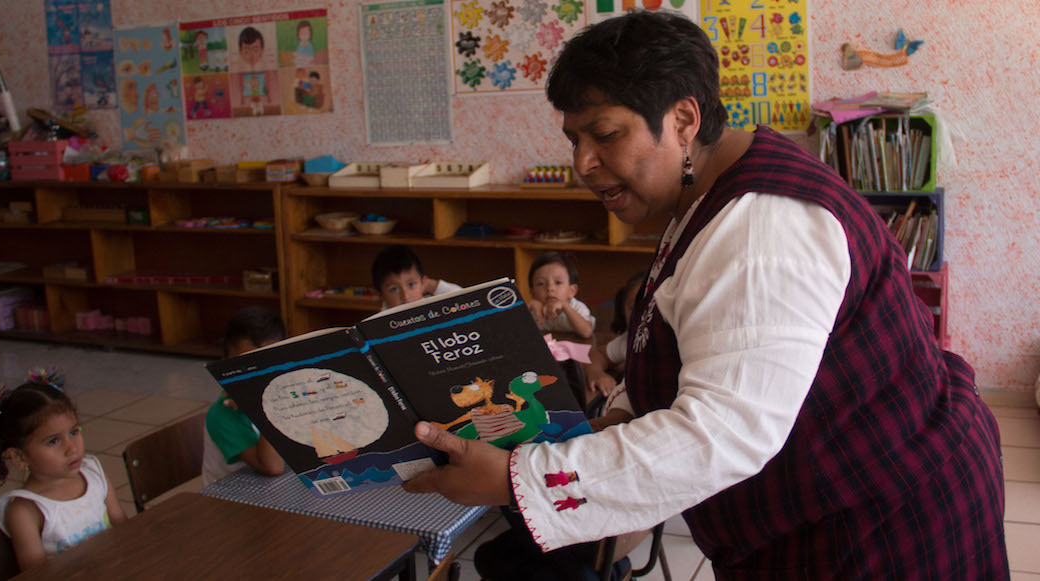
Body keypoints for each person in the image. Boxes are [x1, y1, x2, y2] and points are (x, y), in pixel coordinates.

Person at [403, 10, 1009, 580]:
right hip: (842, 499)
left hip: (878, 525)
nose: (583, 163)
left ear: (685, 121)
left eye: (605, 135)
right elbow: (703, 337)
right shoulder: (707, 193)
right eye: (574, 140)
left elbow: (722, 435)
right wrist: (626, 402)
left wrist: (517, 479)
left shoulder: (761, 227)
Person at [0, 382, 126, 571]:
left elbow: (124, 532)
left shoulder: (94, 473)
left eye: (73, 432)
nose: (72, 448)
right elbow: (37, 575)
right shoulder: (26, 510)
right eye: (53, 441)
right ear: (19, 457)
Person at [201, 306, 287, 485]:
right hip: (230, 504)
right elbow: (273, 467)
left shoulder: (286, 395)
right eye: (244, 365)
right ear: (225, 365)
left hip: (273, 492)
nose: (255, 375)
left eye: (265, 364)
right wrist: (262, 407)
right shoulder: (222, 414)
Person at [583, 271, 643, 398]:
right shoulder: (630, 340)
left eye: (649, 305)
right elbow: (597, 355)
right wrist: (596, 372)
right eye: (632, 307)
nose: (641, 312)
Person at [526, 251, 595, 341]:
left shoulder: (576, 307)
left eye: (558, 282)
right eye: (541, 284)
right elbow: (511, 331)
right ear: (532, 292)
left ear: (572, 291)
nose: (550, 288)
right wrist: (528, 306)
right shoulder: (533, 310)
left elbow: (587, 332)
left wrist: (565, 306)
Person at [372, 244, 462, 310]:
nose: (405, 297)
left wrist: (432, 285)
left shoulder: (429, 304)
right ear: (381, 295)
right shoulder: (382, 320)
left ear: (423, 283)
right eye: (394, 289)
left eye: (411, 285)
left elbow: (464, 299)